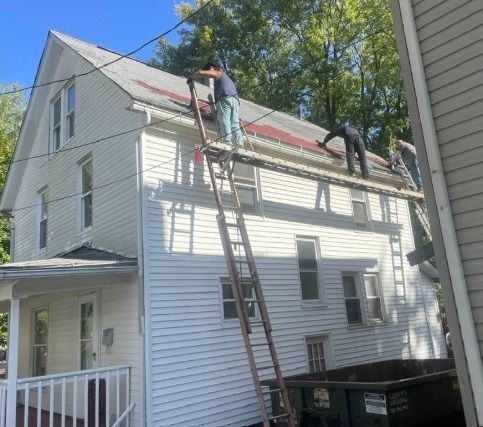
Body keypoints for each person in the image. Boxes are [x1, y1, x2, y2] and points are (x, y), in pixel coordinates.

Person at [191, 63, 243, 147]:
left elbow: (203, 73)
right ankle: (239, 143)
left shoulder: (220, 73)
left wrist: (194, 75)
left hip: (225, 99)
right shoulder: (229, 80)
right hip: (235, 101)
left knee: (224, 120)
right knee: (234, 123)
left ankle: (227, 142)